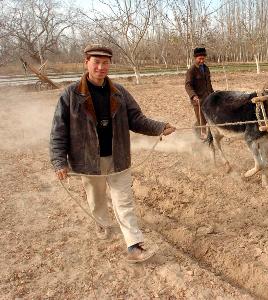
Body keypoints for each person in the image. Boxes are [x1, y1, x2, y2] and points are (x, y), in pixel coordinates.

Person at [49, 44, 176, 263]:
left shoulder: (119, 92)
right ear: (86, 63)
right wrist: (59, 161)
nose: (101, 67)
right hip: (88, 161)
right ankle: (102, 223)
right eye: (96, 62)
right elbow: (58, 131)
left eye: (105, 63)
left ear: (110, 64)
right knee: (97, 200)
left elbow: (137, 119)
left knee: (124, 202)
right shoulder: (70, 95)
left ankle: (133, 246)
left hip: (118, 158)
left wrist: (159, 127)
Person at [185, 47, 214, 138]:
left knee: (207, 118)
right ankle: (202, 136)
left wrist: (212, 94)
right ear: (195, 58)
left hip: (208, 98)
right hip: (198, 99)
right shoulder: (192, 70)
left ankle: (197, 130)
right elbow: (188, 85)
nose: (202, 60)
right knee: (201, 118)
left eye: (203, 58)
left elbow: (208, 83)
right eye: (199, 59)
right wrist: (193, 96)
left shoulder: (206, 68)